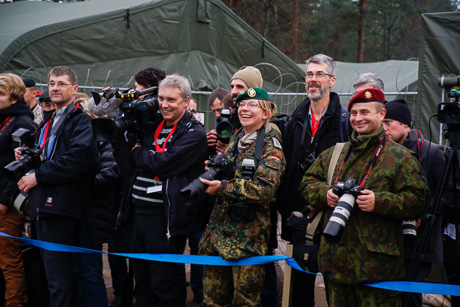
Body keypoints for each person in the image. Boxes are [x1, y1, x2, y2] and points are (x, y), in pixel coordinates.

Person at [299, 88, 427, 306]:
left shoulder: (400, 158)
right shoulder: (336, 153)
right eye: (354, 113)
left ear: (381, 114)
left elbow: (419, 200)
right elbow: (306, 183)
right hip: (336, 264)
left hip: (378, 270)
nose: (358, 119)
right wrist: (326, 194)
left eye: (365, 112)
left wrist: (379, 202)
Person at [111, 74, 208, 306]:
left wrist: (138, 152)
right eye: (161, 99)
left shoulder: (194, 133)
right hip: (138, 212)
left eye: (171, 100)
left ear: (186, 101)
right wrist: (120, 139)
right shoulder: (151, 126)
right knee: (141, 281)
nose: (164, 105)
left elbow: (162, 164)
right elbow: (130, 168)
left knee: (165, 282)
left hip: (165, 217)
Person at [16, 66, 99, 307]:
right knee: (50, 276)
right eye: (52, 83)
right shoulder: (50, 120)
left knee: (60, 278)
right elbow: (48, 154)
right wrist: (27, 155)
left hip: (62, 207)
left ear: (74, 89)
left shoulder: (81, 121)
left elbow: (78, 159)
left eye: (61, 83)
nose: (55, 88)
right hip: (43, 206)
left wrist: (38, 176)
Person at [199, 87, 286, 306]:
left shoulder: (270, 145)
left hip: (248, 242)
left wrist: (222, 187)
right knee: (212, 301)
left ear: (266, 113)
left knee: (245, 303)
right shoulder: (237, 139)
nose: (245, 109)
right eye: (242, 105)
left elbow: (264, 188)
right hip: (218, 239)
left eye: (253, 105)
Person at [275, 54, 350, 306]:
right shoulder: (295, 121)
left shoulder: (345, 122)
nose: (313, 80)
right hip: (298, 218)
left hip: (332, 217)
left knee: (335, 291)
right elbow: (285, 168)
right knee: (299, 291)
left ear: (332, 80)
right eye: (309, 74)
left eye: (319, 74)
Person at [383, 98, 445, 307]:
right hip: (387, 242)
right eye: (381, 122)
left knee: (408, 298)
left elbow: (450, 195)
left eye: (388, 122)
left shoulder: (432, 153)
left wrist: (422, 212)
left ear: (406, 125)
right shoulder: (381, 152)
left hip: (420, 242)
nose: (384, 128)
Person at [0, 73, 36, 307]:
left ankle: (16, 304)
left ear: (14, 98)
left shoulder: (23, 122)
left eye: (1, 94)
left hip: (7, 205)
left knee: (9, 262)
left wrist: (3, 200)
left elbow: (20, 168)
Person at [207, 66, 263, 154]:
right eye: (232, 87)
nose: (233, 92)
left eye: (240, 87)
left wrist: (229, 152)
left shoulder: (266, 124)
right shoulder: (232, 119)